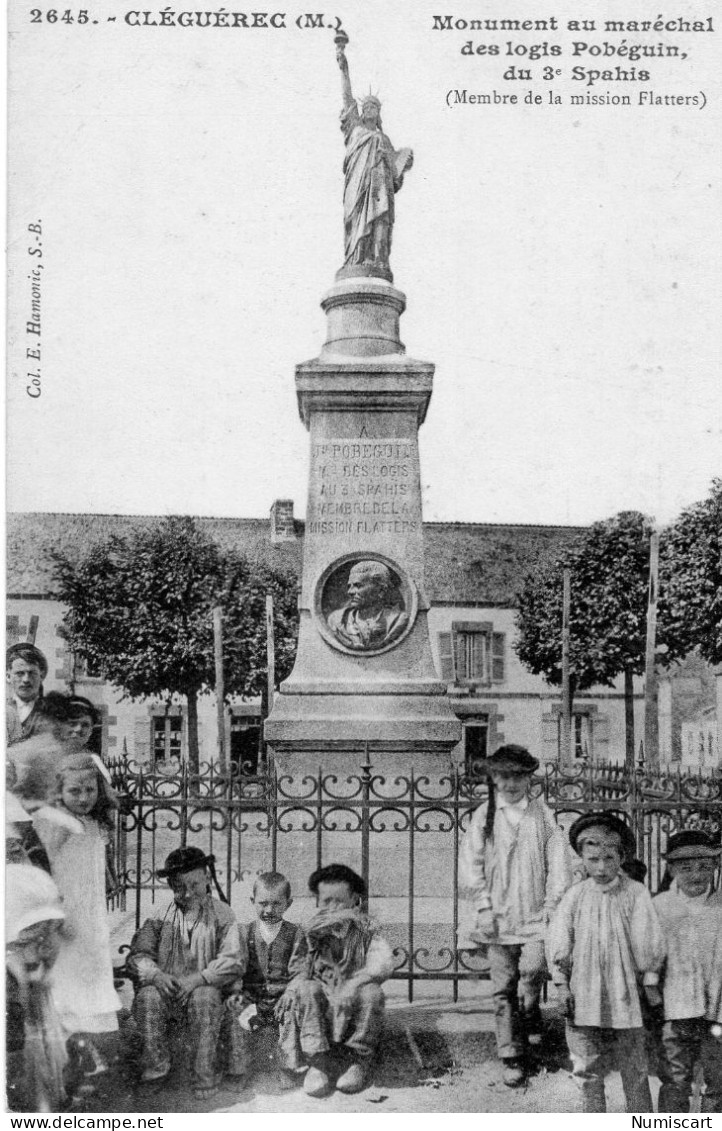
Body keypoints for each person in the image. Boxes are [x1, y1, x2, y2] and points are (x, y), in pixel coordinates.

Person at [458, 744, 573, 1087]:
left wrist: (554, 904)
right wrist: (482, 906)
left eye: (518, 776)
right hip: (496, 916)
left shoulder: (542, 815)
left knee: (534, 967)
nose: (510, 783)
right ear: (493, 778)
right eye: (503, 776)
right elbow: (471, 864)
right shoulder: (483, 816)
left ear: (529, 778)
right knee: (502, 987)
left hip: (534, 912)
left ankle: (530, 1008)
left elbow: (559, 863)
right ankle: (511, 1054)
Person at [547, 812, 666, 1113]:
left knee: (635, 1067)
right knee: (587, 1068)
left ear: (621, 858)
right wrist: (562, 986)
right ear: (582, 859)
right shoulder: (574, 897)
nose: (601, 867)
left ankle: (640, 1118)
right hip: (585, 993)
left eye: (609, 859)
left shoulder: (635, 893)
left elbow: (648, 940)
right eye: (593, 859)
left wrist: (649, 981)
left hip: (626, 993)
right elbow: (560, 943)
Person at [127, 846, 246, 1098]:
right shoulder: (160, 915)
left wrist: (200, 978)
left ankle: (204, 1074)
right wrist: (156, 976)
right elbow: (138, 954)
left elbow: (234, 958)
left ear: (206, 878)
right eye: (179, 887)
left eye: (195, 884)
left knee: (205, 997)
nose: (188, 893)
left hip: (207, 993)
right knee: (148, 996)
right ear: (170, 886)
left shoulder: (223, 914)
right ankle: (155, 1069)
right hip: (168, 992)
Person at [277, 863, 394, 1097]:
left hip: (353, 1001)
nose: (333, 908)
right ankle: (318, 1063)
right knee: (307, 989)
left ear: (354, 900)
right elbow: (299, 968)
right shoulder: (311, 931)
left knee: (372, 993)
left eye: (340, 901)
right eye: (326, 901)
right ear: (317, 902)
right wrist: (294, 988)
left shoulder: (367, 928)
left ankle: (357, 1062)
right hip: (323, 1002)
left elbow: (382, 962)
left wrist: (354, 983)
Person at [33, 753, 121, 1055]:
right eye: (75, 791)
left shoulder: (94, 822)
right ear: (59, 791)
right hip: (65, 909)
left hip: (90, 909)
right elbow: (46, 868)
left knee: (91, 967)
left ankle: (90, 1043)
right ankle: (69, 1043)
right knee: (67, 974)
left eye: (90, 790)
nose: (84, 797)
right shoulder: (54, 822)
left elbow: (96, 862)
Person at [653, 830, 722, 1113]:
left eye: (705, 867)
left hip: (717, 1010)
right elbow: (650, 956)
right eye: (686, 868)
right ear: (670, 868)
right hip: (676, 1007)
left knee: (717, 1079)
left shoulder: (720, 907)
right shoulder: (660, 907)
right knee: (675, 1077)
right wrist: (652, 991)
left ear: (716, 867)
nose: (696, 875)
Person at [335, 31, 413, 276]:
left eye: (373, 107)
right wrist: (343, 66)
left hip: (379, 188)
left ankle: (378, 261)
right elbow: (347, 97)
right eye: (366, 106)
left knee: (380, 222)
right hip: (358, 189)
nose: (369, 109)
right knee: (357, 223)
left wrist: (404, 162)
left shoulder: (384, 139)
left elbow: (395, 174)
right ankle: (356, 259)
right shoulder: (355, 129)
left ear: (378, 113)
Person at [6, 863, 68, 1112]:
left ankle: (44, 1099)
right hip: (22, 996)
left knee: (39, 1045)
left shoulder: (33, 890)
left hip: (32, 995)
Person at [327, 561, 408, 651]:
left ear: (381, 590)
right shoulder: (337, 620)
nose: (350, 592)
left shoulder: (396, 621)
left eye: (358, 586)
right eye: (349, 586)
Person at [6, 643, 48, 745]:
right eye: (19, 673)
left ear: (41, 676)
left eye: (32, 673)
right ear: (8, 676)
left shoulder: (52, 711)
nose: (26, 680)